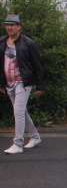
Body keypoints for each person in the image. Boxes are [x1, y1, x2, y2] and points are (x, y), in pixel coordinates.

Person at [0, 14, 44, 154]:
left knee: (18, 111)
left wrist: (40, 85)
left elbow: (37, 65)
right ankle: (35, 137)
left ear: (19, 27)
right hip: (9, 82)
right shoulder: (2, 42)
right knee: (21, 112)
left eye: (12, 25)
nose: (9, 27)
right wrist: (1, 83)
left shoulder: (28, 43)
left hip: (23, 82)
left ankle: (18, 144)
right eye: (7, 25)